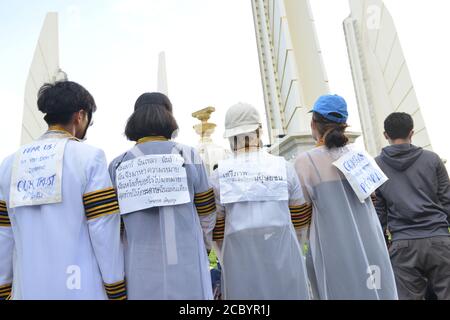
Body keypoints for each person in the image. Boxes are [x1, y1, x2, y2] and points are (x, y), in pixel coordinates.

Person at [0, 81, 125, 300]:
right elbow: (103, 228)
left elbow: (4, 234)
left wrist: (4, 286)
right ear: (80, 115)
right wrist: (115, 287)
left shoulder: (10, 164)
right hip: (80, 287)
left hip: (28, 288)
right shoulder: (90, 158)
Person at [108, 92, 215, 300]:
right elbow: (207, 215)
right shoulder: (189, 155)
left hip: (138, 264)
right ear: (169, 117)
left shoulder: (117, 165)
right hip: (187, 260)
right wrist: (203, 246)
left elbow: (115, 226)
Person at [294, 94, 398, 300]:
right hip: (371, 248)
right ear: (344, 125)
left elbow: (300, 217)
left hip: (332, 251)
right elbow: (374, 197)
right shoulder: (360, 155)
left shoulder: (304, 162)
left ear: (313, 123)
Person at [210, 103, 311, 300]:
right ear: (259, 131)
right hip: (284, 257)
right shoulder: (284, 167)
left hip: (240, 265)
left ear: (230, 138)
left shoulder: (218, 175)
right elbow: (300, 220)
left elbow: (217, 230)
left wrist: (228, 258)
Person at [374, 112, 450, 300]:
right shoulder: (432, 160)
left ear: (386, 135)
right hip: (439, 240)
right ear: (412, 132)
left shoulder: (376, 165)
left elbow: (379, 210)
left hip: (402, 245)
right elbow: (447, 200)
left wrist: (382, 243)